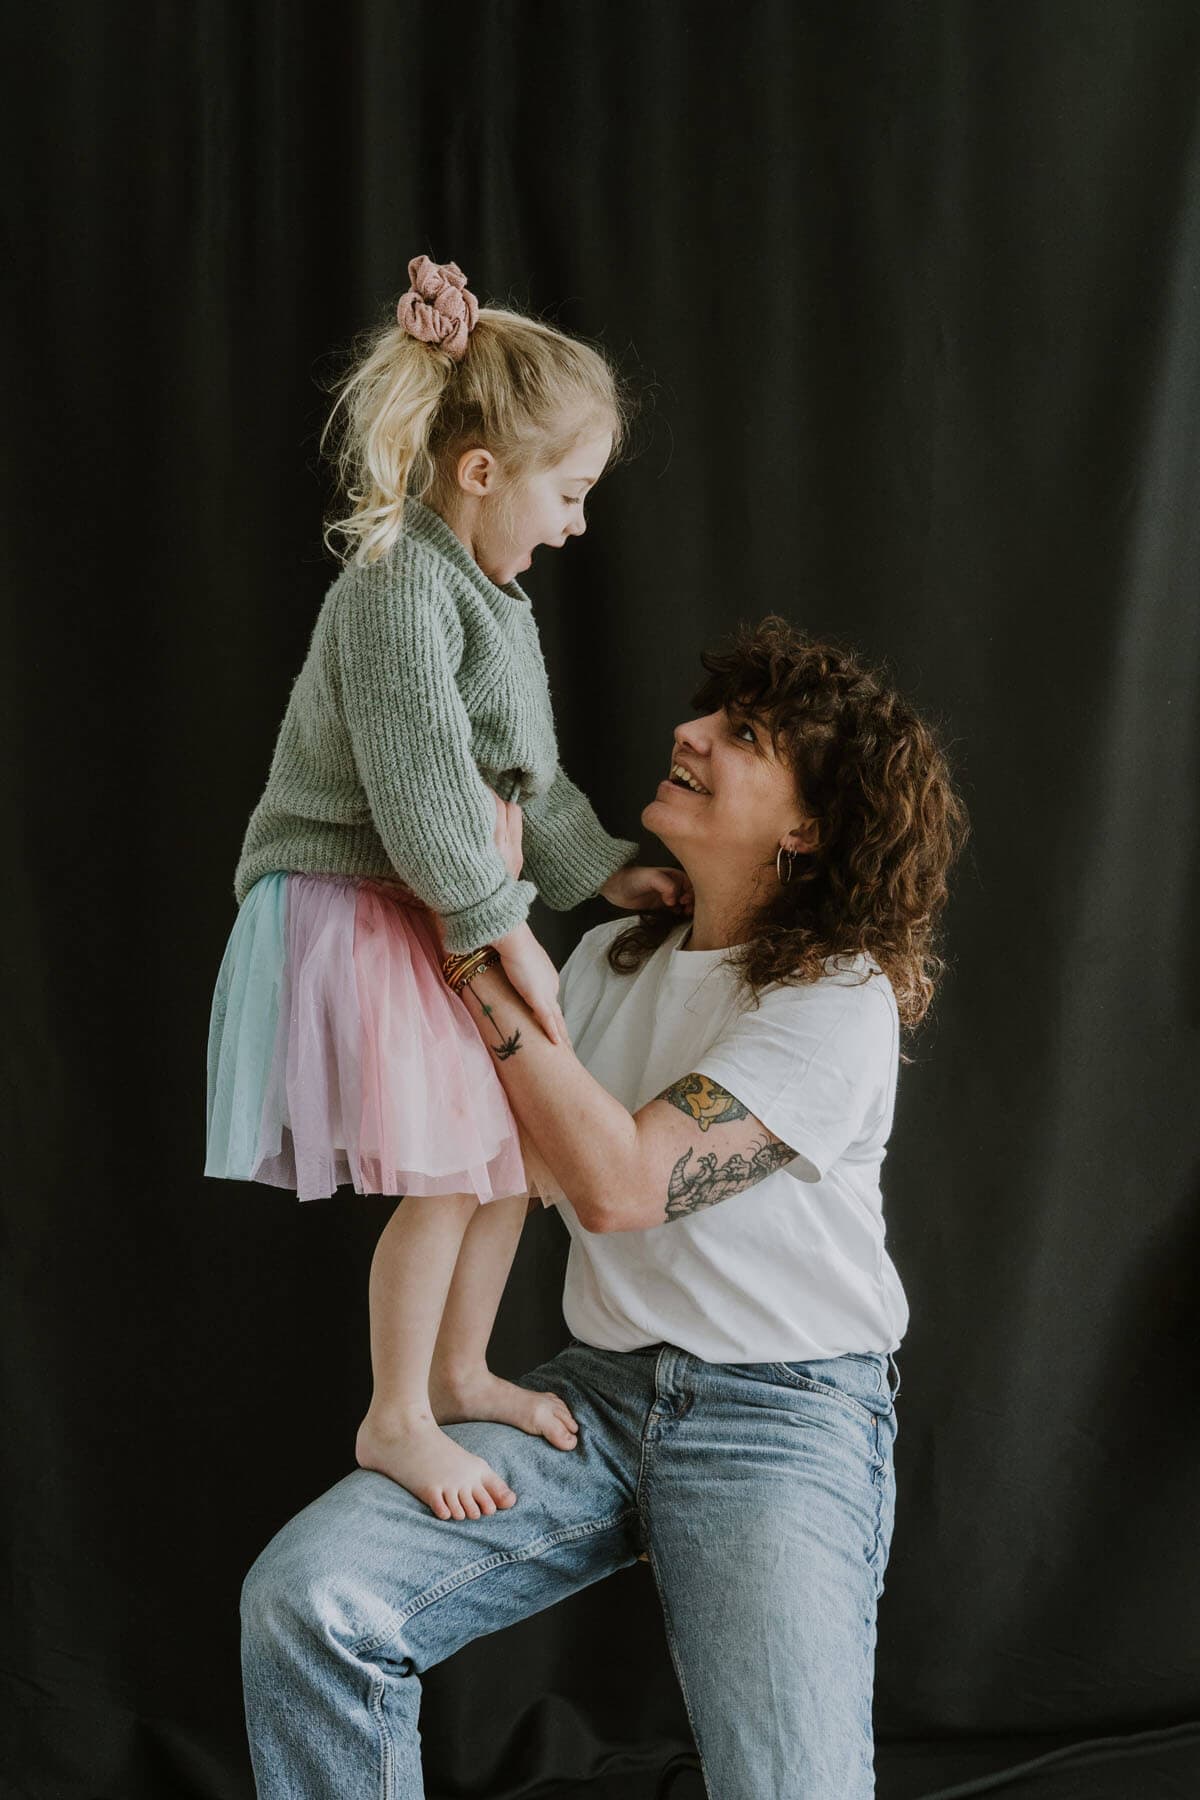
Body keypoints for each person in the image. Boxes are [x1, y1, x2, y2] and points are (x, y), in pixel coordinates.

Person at [238, 615, 970, 1798]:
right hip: (602, 1398)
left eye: (743, 736)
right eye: (709, 713)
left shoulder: (840, 1003)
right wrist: (443, 1388)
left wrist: (473, 943)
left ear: (809, 827)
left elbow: (623, 1186)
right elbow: (498, 1182)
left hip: (782, 1414)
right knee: (310, 1601)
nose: (688, 734)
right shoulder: (612, 959)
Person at [204, 255, 690, 1516]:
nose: (578, 522)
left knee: (508, 1164)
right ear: (484, 474)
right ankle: (395, 1415)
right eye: (570, 492)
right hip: (360, 903)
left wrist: (605, 875)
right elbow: (425, 797)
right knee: (446, 1174)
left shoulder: (494, 594)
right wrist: (503, 932)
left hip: (439, 898)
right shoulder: (394, 591)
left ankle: (462, 1370)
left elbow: (524, 777)